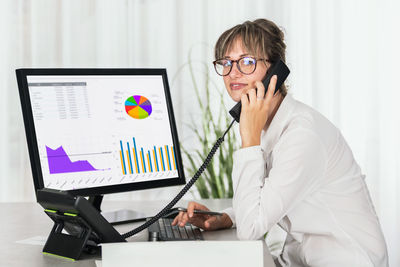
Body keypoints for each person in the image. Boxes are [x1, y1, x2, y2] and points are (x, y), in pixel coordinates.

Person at [172, 19, 388, 267]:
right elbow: (269, 200)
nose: (233, 72)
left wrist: (249, 140)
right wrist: (227, 218)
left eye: (247, 62)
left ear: (275, 70)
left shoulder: (302, 134)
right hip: (302, 260)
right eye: (226, 62)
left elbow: (251, 228)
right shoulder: (270, 125)